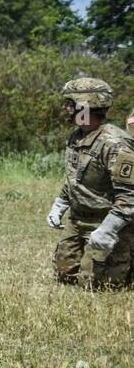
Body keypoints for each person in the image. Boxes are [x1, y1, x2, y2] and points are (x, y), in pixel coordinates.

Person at [46, 77, 133, 290]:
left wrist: (109, 230)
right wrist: (60, 204)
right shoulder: (76, 137)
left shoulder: (114, 144)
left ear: (86, 107)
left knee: (97, 286)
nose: (67, 108)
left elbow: (130, 196)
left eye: (71, 104)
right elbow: (75, 179)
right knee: (65, 274)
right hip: (79, 219)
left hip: (109, 222)